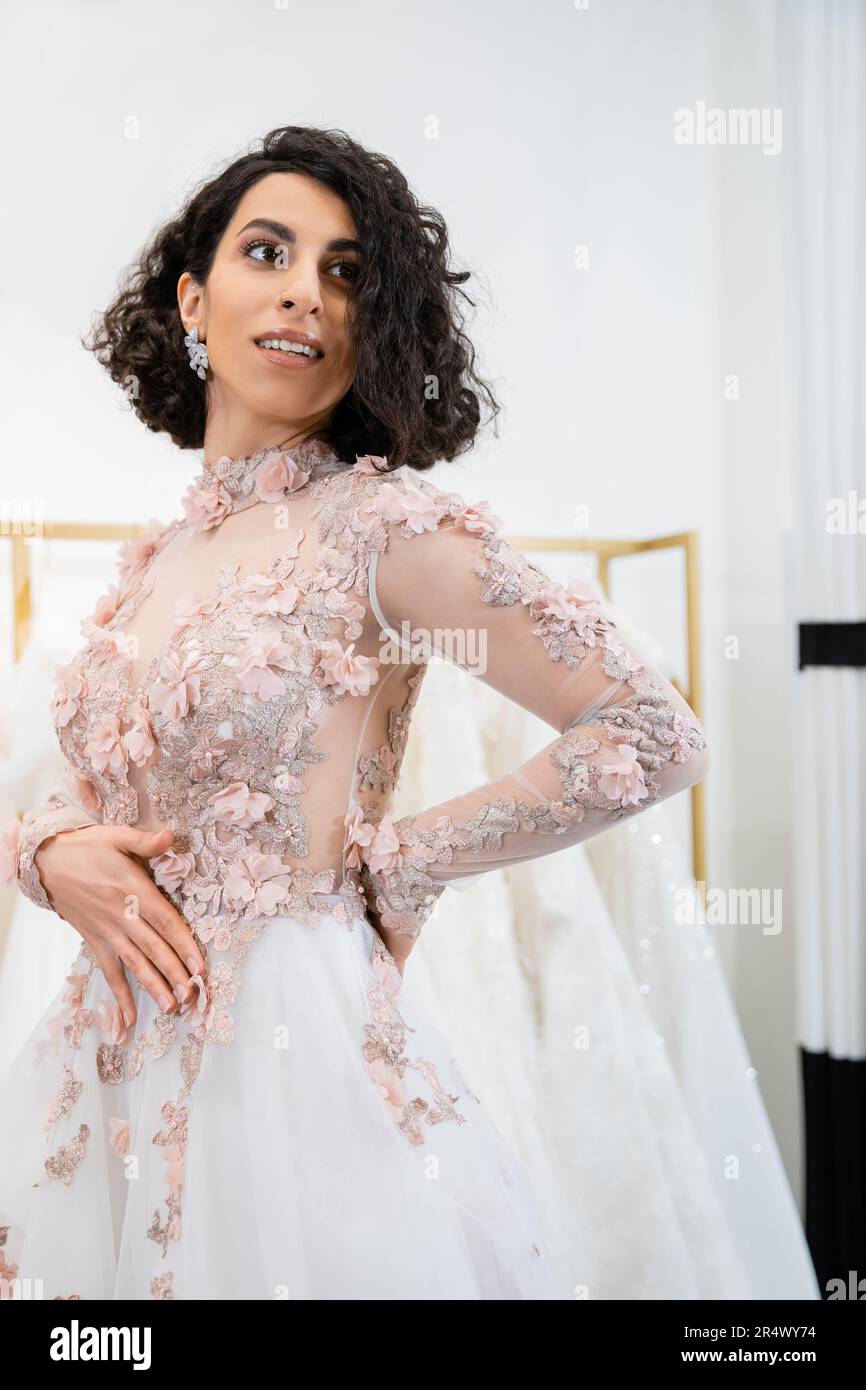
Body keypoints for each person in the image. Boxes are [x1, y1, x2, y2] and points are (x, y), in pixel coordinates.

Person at [0, 125, 708, 1301]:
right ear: (192, 296)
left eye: (344, 273)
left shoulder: (380, 531)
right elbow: (73, 778)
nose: (302, 295)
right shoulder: (154, 555)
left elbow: (652, 729)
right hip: (107, 1062)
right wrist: (52, 851)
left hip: (284, 1070)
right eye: (266, 251)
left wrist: (406, 862)